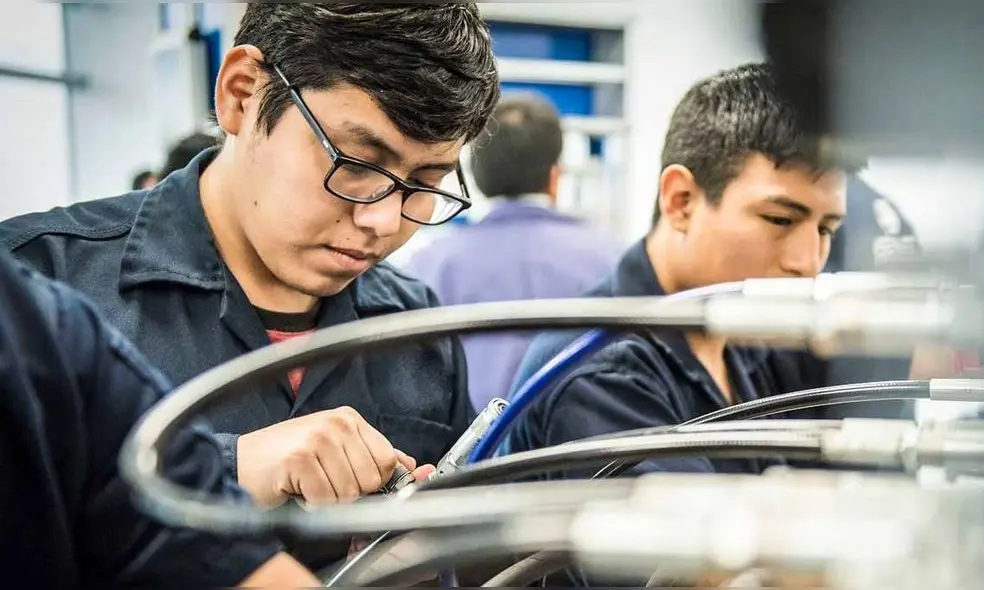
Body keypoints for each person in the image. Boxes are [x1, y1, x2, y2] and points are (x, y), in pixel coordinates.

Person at [0, 4, 498, 509]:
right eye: (356, 165)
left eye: (424, 183)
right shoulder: (33, 287)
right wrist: (221, 468)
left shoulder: (416, 330)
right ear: (241, 93)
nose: (385, 221)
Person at [502, 63, 928, 477]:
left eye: (826, 228)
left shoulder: (743, 343)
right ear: (681, 200)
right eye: (780, 220)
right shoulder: (601, 371)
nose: (808, 262)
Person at [0, 249, 319, 586]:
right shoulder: (50, 264)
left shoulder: (49, 333)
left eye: (383, 194)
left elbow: (215, 559)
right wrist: (233, 465)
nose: (378, 222)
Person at [405, 93, 622, 411]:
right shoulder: (614, 260)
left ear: (477, 178)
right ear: (554, 177)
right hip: (586, 452)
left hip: (465, 454)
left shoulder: (428, 265)